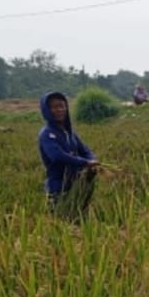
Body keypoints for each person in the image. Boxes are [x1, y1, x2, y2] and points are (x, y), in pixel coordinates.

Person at [37, 91, 99, 219]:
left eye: (62, 106)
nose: (59, 110)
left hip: (76, 183)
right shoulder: (47, 134)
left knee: (79, 215)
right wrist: (85, 163)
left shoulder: (69, 133)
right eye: (54, 107)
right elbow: (57, 156)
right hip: (58, 186)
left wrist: (92, 160)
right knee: (61, 219)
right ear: (46, 111)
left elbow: (85, 150)